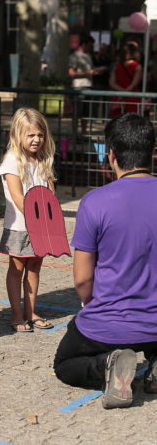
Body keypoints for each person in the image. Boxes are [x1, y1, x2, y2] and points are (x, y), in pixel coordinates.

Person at [54, 113, 157, 409]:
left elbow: (83, 279)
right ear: (152, 152)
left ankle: (108, 364)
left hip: (110, 323)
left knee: (65, 362)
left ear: (110, 154)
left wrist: (93, 304)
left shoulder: (96, 201)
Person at [0, 108, 56, 332]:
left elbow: (50, 192)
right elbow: (17, 196)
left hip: (42, 226)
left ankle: (31, 311)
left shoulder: (43, 159)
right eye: (30, 135)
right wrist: (36, 220)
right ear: (16, 135)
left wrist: (50, 221)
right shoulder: (12, 161)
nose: (36, 140)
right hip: (20, 227)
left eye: (40, 135)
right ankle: (16, 313)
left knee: (35, 268)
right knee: (17, 268)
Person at [68, 35, 99, 135]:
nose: (91, 48)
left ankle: (83, 134)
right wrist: (87, 73)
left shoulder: (88, 56)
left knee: (86, 113)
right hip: (78, 87)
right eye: (90, 45)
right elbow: (72, 73)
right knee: (77, 112)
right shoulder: (74, 56)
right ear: (84, 44)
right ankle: (74, 134)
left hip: (88, 87)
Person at [109, 43, 142, 118]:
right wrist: (125, 93)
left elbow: (112, 83)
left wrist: (122, 92)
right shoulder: (137, 66)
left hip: (118, 96)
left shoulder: (117, 65)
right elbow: (134, 84)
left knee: (117, 120)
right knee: (132, 120)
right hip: (131, 96)